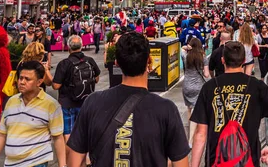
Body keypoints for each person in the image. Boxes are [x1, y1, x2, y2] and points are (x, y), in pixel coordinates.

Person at [67, 32, 190, 166]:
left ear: (116, 63)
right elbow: (181, 163)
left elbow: (75, 160)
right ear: (149, 61)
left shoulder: (93, 102)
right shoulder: (166, 109)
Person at [190, 41, 268, 167]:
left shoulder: (209, 88)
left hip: (216, 161)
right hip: (248, 160)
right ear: (244, 60)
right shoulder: (256, 86)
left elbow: (200, 133)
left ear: (223, 60)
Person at [0, 61, 66, 167]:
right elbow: (1, 134)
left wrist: (62, 165)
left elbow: (58, 138)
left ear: (39, 82)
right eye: (20, 78)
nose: (22, 82)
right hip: (10, 163)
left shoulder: (51, 105)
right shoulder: (11, 102)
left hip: (36, 162)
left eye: (27, 79)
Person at [52, 35, 100, 142]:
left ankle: (69, 156)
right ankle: (83, 156)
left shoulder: (64, 63)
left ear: (68, 47)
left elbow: (56, 86)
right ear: (82, 46)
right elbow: (96, 79)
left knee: (68, 132)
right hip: (85, 102)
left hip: (68, 103)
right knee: (83, 131)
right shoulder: (90, 60)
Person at [181, 38, 210, 144]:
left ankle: (190, 129)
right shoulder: (203, 57)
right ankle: (191, 138)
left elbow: (182, 49)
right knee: (195, 109)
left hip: (186, 85)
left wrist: (187, 47)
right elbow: (206, 75)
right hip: (198, 86)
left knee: (189, 108)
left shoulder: (186, 56)